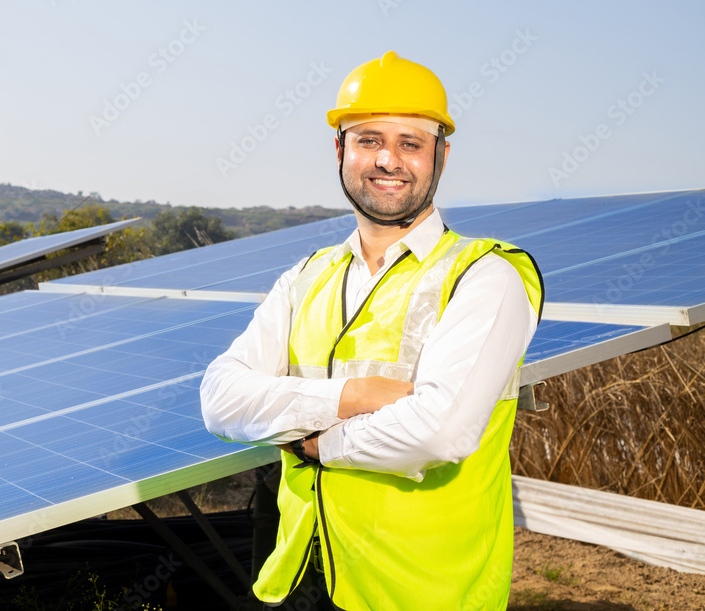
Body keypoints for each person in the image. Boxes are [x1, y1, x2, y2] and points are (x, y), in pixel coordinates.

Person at [199, 51, 544, 610]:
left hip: (424, 591)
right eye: (368, 140)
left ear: (441, 156)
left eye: (411, 142)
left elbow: (441, 432)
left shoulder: (485, 276)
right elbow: (220, 399)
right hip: (301, 576)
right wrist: (351, 396)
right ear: (339, 151)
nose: (389, 159)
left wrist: (317, 442)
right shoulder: (306, 277)